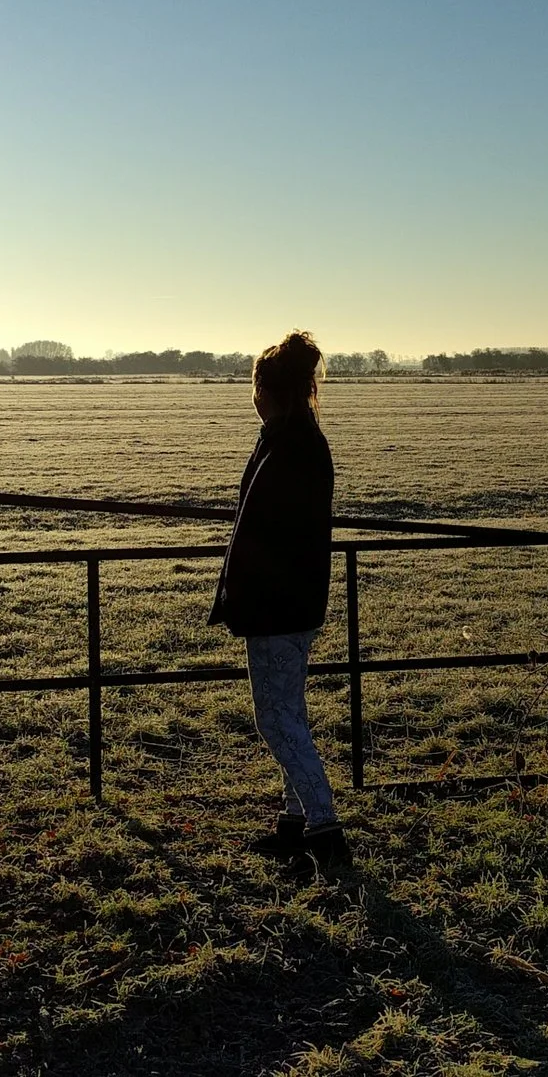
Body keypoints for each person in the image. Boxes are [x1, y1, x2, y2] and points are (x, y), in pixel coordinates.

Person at [209, 330, 350, 873]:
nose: (252, 396)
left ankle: (325, 825)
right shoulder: (295, 437)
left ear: (270, 390)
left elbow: (265, 531)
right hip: (292, 599)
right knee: (289, 712)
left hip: (277, 603)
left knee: (275, 718)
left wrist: (244, 591)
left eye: (255, 386)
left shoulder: (289, 443)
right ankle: (296, 821)